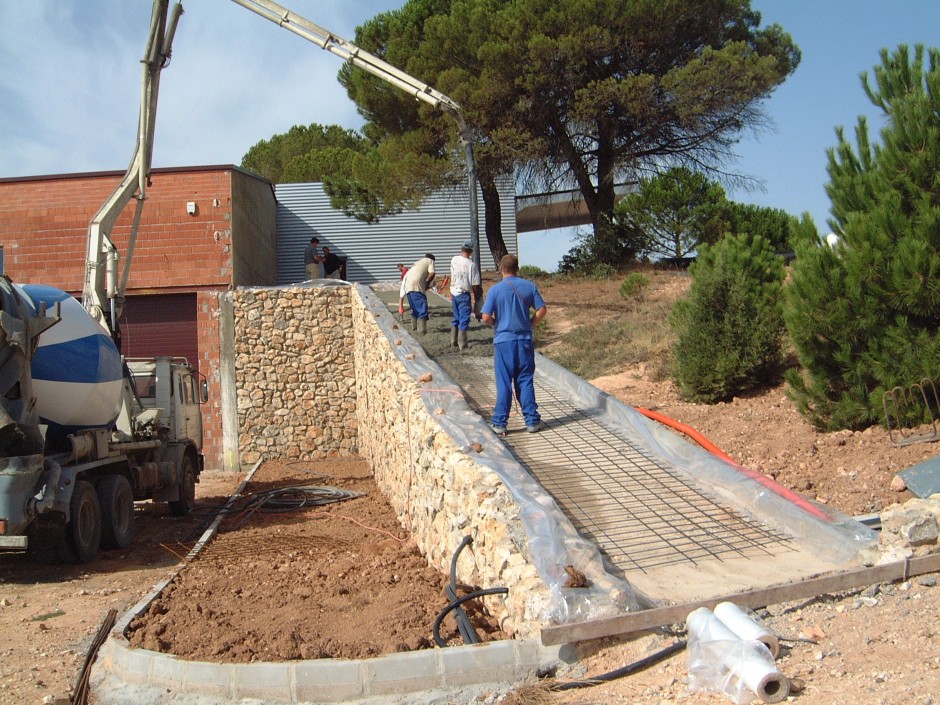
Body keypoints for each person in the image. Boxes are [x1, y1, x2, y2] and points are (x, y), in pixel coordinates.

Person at [481, 254, 548, 434]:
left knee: (504, 382)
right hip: (524, 340)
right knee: (525, 379)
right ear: (517, 268)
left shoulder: (495, 290)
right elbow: (542, 310)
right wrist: (531, 323)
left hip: (503, 341)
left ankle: (500, 422)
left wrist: (496, 324)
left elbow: (485, 316)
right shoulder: (529, 286)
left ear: (501, 269)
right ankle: (532, 421)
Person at [448, 240, 483, 351]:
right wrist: (477, 297)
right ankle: (462, 345)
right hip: (463, 294)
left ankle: (453, 341)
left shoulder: (454, 260)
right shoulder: (471, 265)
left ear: (461, 249)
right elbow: (475, 285)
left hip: (454, 292)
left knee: (456, 317)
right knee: (464, 319)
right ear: (471, 251)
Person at [402, 254, 436, 334]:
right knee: (422, 309)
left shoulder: (417, 263)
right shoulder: (430, 261)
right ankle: (422, 331)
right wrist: (427, 283)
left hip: (408, 287)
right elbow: (432, 273)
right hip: (416, 286)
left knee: (415, 309)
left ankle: (414, 328)